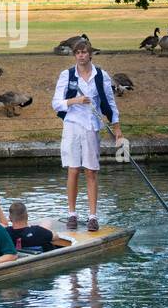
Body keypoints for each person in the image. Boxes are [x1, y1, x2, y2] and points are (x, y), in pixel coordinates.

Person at [50, 38, 123, 232]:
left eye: (84, 52)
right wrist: (75, 100)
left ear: (90, 53)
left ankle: (92, 216)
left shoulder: (101, 75)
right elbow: (56, 103)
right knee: (73, 169)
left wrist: (117, 129)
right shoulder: (66, 75)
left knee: (91, 171)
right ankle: (72, 214)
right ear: (75, 55)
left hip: (91, 126)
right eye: (78, 53)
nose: (81, 55)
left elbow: (110, 103)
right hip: (72, 125)